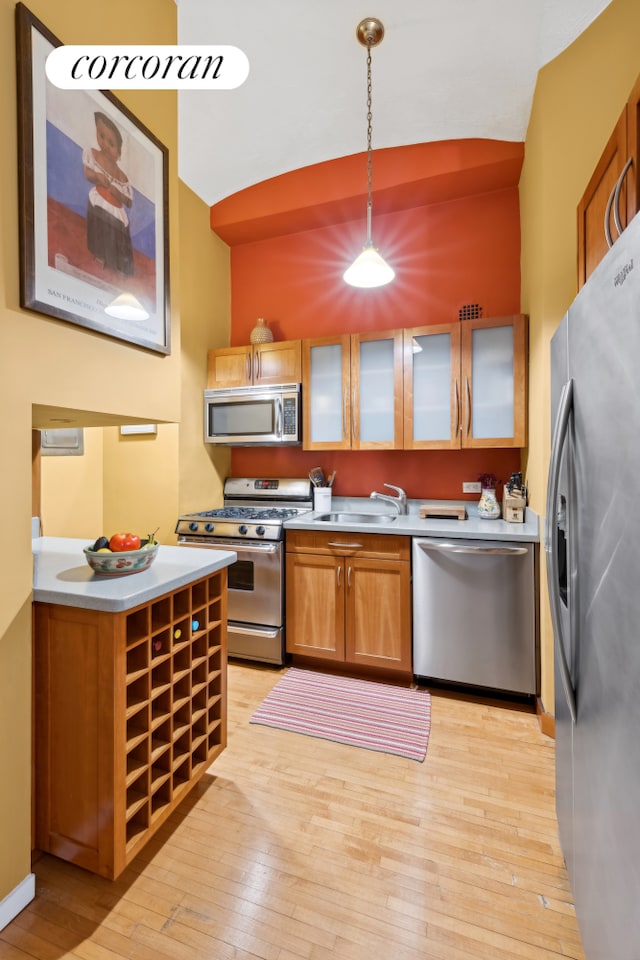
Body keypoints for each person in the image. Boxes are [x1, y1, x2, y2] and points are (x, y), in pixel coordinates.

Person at [83, 111, 134, 276]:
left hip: (115, 210)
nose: (104, 144)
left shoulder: (121, 176)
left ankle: (117, 264)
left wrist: (118, 194)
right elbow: (87, 173)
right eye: (101, 136)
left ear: (119, 153)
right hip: (100, 201)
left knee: (116, 237)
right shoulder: (93, 154)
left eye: (111, 144)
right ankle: (99, 256)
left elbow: (129, 201)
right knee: (100, 230)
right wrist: (97, 176)